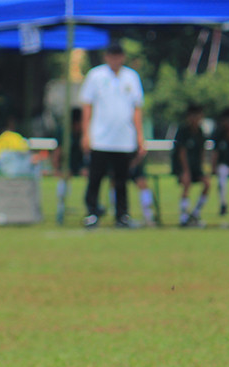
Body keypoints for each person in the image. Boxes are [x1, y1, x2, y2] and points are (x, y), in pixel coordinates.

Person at [79, 42, 146, 229]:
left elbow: (137, 109)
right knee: (95, 178)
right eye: (112, 55)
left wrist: (140, 136)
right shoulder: (96, 75)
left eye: (118, 56)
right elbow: (87, 105)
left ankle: (122, 215)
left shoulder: (131, 77)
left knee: (121, 180)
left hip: (124, 139)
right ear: (106, 57)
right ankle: (92, 213)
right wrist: (86, 134)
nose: (115, 59)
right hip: (100, 138)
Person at [171, 103, 210, 227]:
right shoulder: (183, 131)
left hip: (196, 167)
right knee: (187, 184)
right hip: (183, 167)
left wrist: (203, 168)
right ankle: (183, 217)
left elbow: (202, 151)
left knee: (207, 183)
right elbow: (181, 153)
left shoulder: (200, 132)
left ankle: (195, 214)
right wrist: (185, 171)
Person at [53, 108, 87, 224]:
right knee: (63, 182)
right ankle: (60, 211)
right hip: (68, 163)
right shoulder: (64, 132)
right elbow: (57, 152)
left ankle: (92, 209)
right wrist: (57, 168)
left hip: (83, 163)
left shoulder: (86, 132)